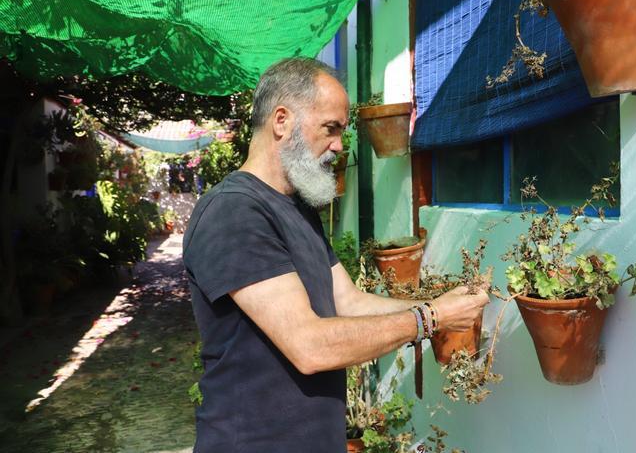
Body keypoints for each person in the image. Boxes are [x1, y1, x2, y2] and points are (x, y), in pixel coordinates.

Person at [182, 57, 489, 452]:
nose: (339, 146)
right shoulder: (234, 212)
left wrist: (440, 305)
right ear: (281, 121)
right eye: (331, 128)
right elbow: (308, 346)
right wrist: (430, 319)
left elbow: (348, 301)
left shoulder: (296, 207)